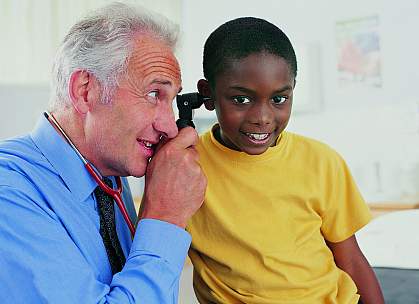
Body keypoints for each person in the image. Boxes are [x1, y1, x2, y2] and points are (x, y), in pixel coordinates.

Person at [0, 2, 206, 303]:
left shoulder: (108, 178)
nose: (169, 127)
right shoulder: (11, 195)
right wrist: (165, 216)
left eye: (171, 100)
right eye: (153, 94)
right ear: (86, 91)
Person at [187, 17, 384, 303]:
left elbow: (351, 260)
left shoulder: (321, 162)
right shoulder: (186, 168)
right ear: (208, 95)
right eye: (241, 100)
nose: (263, 118)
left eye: (279, 99)